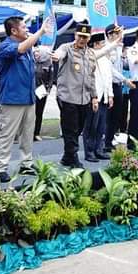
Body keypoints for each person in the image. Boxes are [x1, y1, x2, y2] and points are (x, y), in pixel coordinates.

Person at [0, 16, 53, 182]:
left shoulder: (27, 48)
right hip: (12, 99)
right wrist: (41, 32)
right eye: (24, 27)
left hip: (28, 98)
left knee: (27, 134)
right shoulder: (5, 46)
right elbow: (20, 48)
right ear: (13, 31)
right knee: (7, 134)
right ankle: (0, 169)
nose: (27, 29)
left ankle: (26, 164)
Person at [53, 23, 98, 167]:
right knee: (70, 128)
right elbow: (60, 53)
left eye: (85, 37)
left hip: (84, 98)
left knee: (78, 129)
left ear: (89, 37)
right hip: (68, 96)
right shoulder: (67, 48)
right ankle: (73, 157)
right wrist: (56, 56)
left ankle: (67, 156)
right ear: (75, 35)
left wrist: (94, 97)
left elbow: (91, 77)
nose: (82, 40)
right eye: (80, 36)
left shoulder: (90, 53)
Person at [83, 32, 114, 162]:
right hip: (93, 96)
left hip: (104, 96)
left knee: (101, 125)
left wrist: (110, 95)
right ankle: (89, 151)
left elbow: (109, 78)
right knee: (91, 126)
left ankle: (99, 149)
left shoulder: (106, 60)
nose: (104, 46)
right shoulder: (89, 56)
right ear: (96, 44)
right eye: (102, 44)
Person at [104, 24, 133, 153]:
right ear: (110, 35)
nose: (119, 36)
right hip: (110, 85)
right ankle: (104, 142)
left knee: (116, 116)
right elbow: (111, 70)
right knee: (107, 116)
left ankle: (109, 141)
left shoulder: (118, 48)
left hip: (118, 85)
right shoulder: (106, 49)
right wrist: (124, 79)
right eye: (116, 34)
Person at [33, 45, 55, 141]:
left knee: (39, 112)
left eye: (38, 51)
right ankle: (28, 133)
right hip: (31, 90)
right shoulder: (31, 62)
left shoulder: (48, 63)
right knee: (30, 113)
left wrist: (48, 89)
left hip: (42, 91)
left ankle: (36, 132)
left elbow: (51, 77)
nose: (36, 53)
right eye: (35, 51)